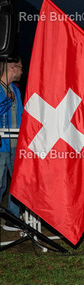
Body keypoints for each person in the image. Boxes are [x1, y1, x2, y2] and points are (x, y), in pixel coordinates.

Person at [0, 56, 23, 231]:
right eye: (20, 68)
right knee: (0, 184)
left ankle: (13, 218)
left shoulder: (16, 90)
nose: (22, 72)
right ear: (12, 68)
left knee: (18, 182)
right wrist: (7, 99)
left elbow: (21, 116)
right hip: (2, 146)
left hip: (17, 145)